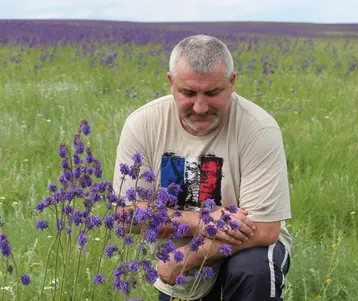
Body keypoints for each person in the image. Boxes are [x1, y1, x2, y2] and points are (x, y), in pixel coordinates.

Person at [113, 34, 292, 301]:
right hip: (179, 264)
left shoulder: (259, 128)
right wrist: (202, 223)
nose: (200, 107)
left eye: (212, 93)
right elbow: (126, 215)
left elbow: (265, 229)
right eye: (188, 93)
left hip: (245, 248)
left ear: (231, 83)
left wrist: (185, 257)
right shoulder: (142, 124)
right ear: (171, 83)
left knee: (253, 272)